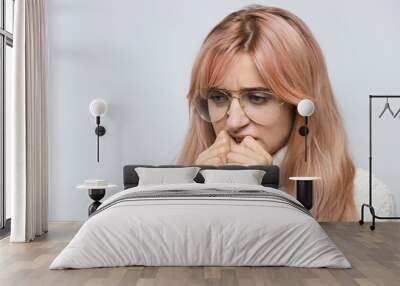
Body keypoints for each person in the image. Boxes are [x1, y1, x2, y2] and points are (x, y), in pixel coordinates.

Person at [177, 5, 396, 221]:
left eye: (257, 98)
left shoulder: (365, 198)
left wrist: (265, 196)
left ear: (299, 106)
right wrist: (197, 200)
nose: (233, 122)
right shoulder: (173, 193)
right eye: (218, 97)